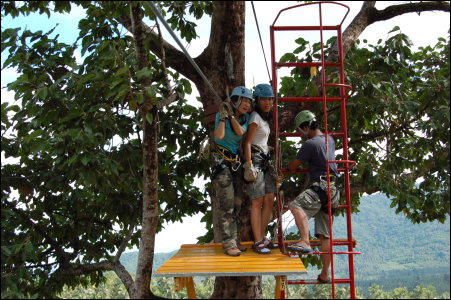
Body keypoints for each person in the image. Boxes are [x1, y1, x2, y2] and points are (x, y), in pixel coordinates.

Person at [286, 110, 340, 284]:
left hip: (321, 187)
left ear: (306, 127)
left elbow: (294, 166)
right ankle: (325, 274)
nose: (301, 135)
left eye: (301, 131)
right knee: (325, 236)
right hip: (333, 191)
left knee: (295, 206)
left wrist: (288, 168)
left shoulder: (309, 144)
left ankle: (305, 241)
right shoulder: (329, 139)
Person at [212, 86, 253, 256]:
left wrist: (230, 116)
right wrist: (223, 118)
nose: (247, 105)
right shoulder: (220, 117)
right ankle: (229, 244)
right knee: (227, 204)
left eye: (249, 102)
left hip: (235, 163)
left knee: (237, 203)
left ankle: (235, 240)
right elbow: (219, 136)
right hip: (221, 164)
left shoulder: (246, 118)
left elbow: (240, 132)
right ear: (235, 101)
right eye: (244, 101)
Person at [243, 83, 277, 254]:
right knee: (257, 201)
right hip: (255, 160)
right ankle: (257, 241)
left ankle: (262, 237)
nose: (267, 102)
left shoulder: (263, 119)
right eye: (264, 99)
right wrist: (248, 164)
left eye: (270, 99)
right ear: (257, 100)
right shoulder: (255, 117)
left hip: (265, 160)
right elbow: (247, 142)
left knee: (270, 199)